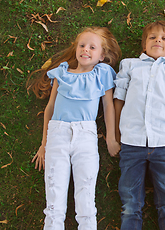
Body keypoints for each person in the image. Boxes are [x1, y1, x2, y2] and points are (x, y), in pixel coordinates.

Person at [28, 26, 121, 230]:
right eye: (82, 45)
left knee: (86, 202)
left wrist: (111, 138)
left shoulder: (102, 74)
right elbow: (50, 108)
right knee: (53, 204)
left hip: (86, 138)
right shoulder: (61, 73)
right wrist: (44, 144)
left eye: (92, 47)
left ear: (102, 55)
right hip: (57, 135)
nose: (85, 50)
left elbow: (108, 107)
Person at [114, 20, 165, 230]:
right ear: (144, 45)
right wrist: (119, 132)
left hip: (164, 144)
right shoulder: (130, 65)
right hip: (131, 142)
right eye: (152, 37)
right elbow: (119, 98)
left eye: (164, 38)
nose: (158, 40)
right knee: (130, 205)